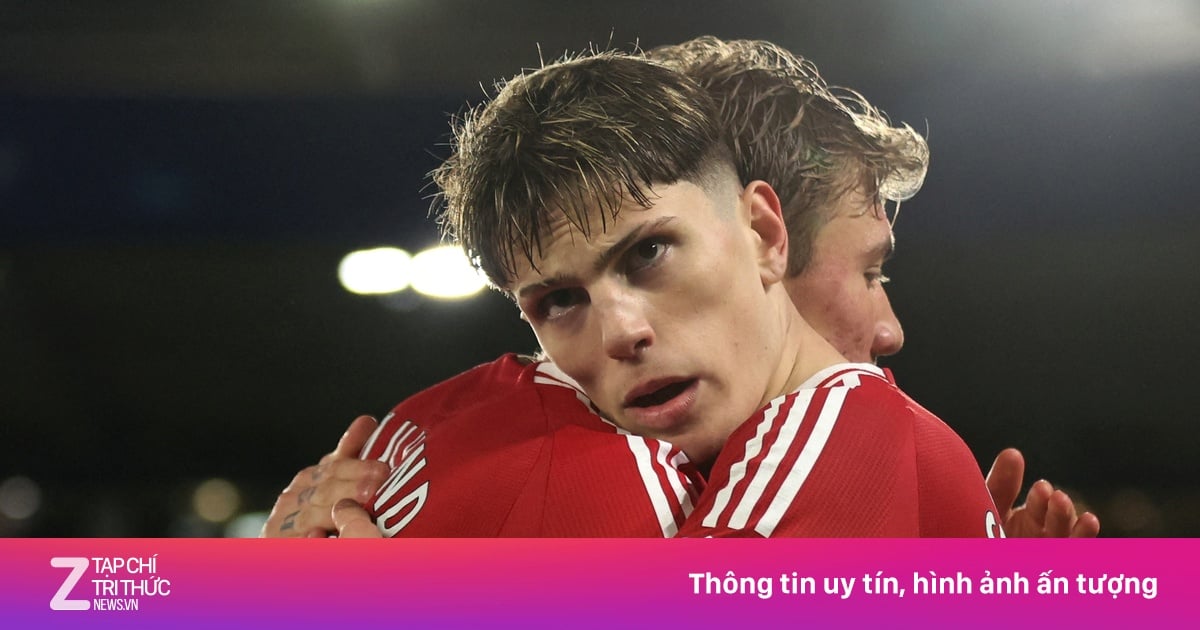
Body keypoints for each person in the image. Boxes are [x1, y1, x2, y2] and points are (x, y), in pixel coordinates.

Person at [263, 38, 1099, 539]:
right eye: (558, 300)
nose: (887, 332)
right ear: (768, 240)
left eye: (650, 256)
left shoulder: (440, 425)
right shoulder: (828, 429)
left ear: (757, 236)